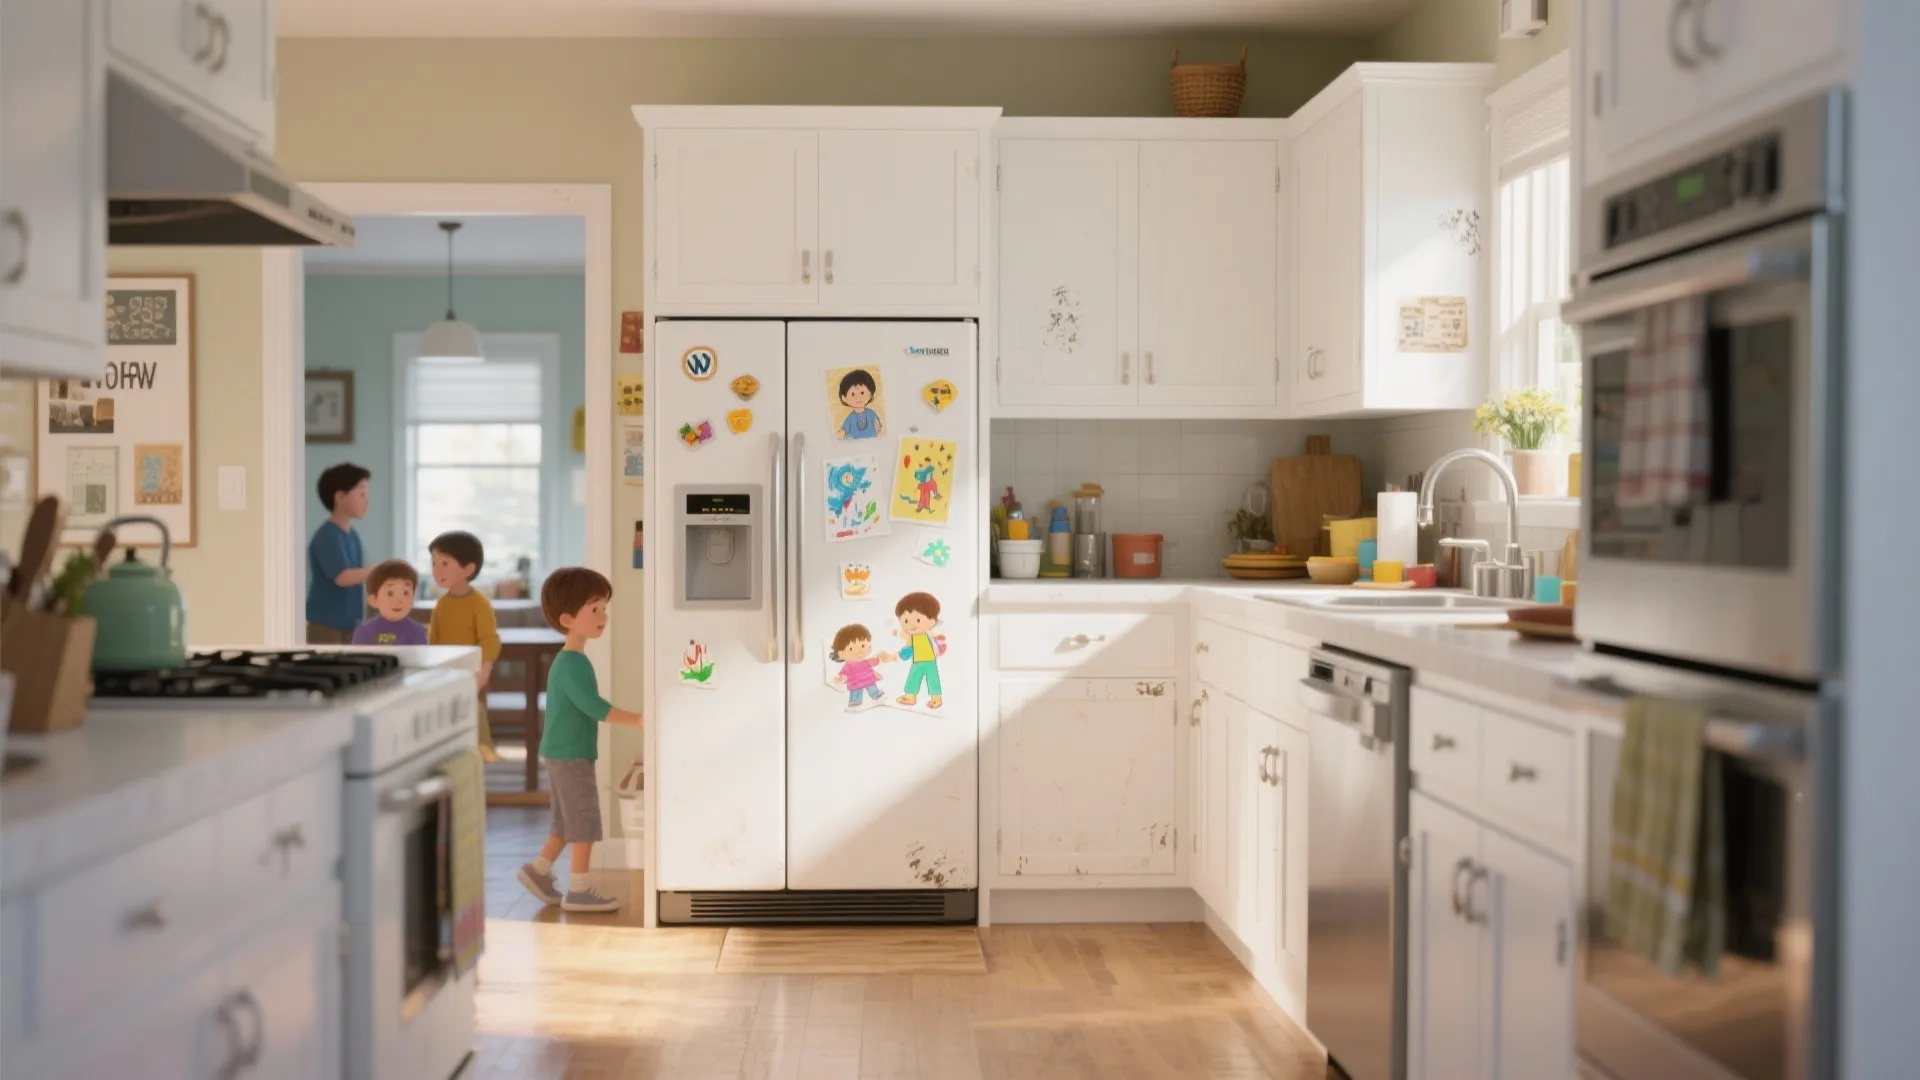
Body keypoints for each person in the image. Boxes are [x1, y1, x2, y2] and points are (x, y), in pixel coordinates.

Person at [517, 567, 642, 913]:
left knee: (565, 821)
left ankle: (538, 870)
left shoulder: (572, 660)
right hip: (571, 755)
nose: (603, 616)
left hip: (562, 752)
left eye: (604, 608)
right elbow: (593, 706)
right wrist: (637, 720)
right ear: (568, 618)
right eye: (594, 610)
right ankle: (580, 889)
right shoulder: (572, 664)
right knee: (584, 820)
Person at [428, 531, 501, 761]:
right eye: (434, 563)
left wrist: (483, 673)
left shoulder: (479, 604)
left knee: (473, 725)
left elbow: (488, 640)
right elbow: (433, 641)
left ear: (468, 569)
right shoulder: (441, 605)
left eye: (445, 563)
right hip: (444, 677)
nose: (437, 570)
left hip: (472, 676)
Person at [307, 463, 370, 644]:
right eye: (361, 494)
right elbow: (342, 577)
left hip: (350, 623)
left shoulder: (353, 536)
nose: (367, 501)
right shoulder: (327, 536)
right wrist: (377, 571)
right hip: (327, 625)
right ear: (340, 497)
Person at [352, 559, 428, 646]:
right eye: (390, 593)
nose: (399, 600)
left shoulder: (417, 632)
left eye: (406, 593)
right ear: (373, 600)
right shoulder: (364, 631)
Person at [892, 591, 946, 709]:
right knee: (913, 678)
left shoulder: (929, 633)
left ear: (932, 621)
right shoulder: (912, 637)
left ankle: (936, 699)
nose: (911, 625)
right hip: (917, 662)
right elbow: (905, 636)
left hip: (930, 660)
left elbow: (936, 636)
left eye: (918, 620)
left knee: (933, 679)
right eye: (906, 621)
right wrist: (897, 633)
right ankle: (910, 697)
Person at [829, 623, 891, 711]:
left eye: (862, 646)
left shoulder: (865, 662)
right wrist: (841, 677)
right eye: (851, 649)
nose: (858, 652)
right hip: (856, 683)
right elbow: (843, 674)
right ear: (840, 653)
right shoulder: (848, 666)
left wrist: (880, 659)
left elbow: (874, 661)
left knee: (873, 689)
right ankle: (855, 703)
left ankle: (876, 696)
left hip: (869, 680)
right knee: (856, 693)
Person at [835, 368, 882, 440]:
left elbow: (878, 428)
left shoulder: (871, 413)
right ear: (844, 398)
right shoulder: (850, 418)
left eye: (862, 393)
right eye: (853, 394)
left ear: (871, 394)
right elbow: (844, 430)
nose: (858, 397)